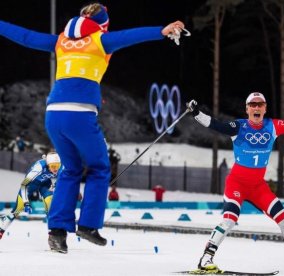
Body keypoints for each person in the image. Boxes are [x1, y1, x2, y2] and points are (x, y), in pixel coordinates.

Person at [0, 3, 187, 253]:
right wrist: (161, 31)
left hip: (54, 115)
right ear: (103, 24)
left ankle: (57, 232)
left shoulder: (61, 41)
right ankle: (88, 225)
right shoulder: (101, 40)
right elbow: (131, 36)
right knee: (99, 167)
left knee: (71, 168)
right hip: (80, 115)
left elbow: (25, 36)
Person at [186, 92, 284, 273]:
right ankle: (206, 259)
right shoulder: (239, 126)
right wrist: (196, 113)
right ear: (247, 109)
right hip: (237, 184)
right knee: (229, 220)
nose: (256, 108)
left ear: (265, 109)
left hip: (258, 187)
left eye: (260, 104)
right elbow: (216, 125)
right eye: (253, 105)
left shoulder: (273, 126)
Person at [0, 152, 62, 239]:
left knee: (49, 204)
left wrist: (55, 185)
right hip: (31, 185)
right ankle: (3, 224)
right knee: (17, 210)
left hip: (45, 183)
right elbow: (24, 185)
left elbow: (64, 179)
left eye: (57, 166)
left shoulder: (61, 166)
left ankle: (52, 234)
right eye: (53, 166)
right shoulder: (39, 168)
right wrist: (26, 203)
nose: (55, 169)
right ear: (47, 165)